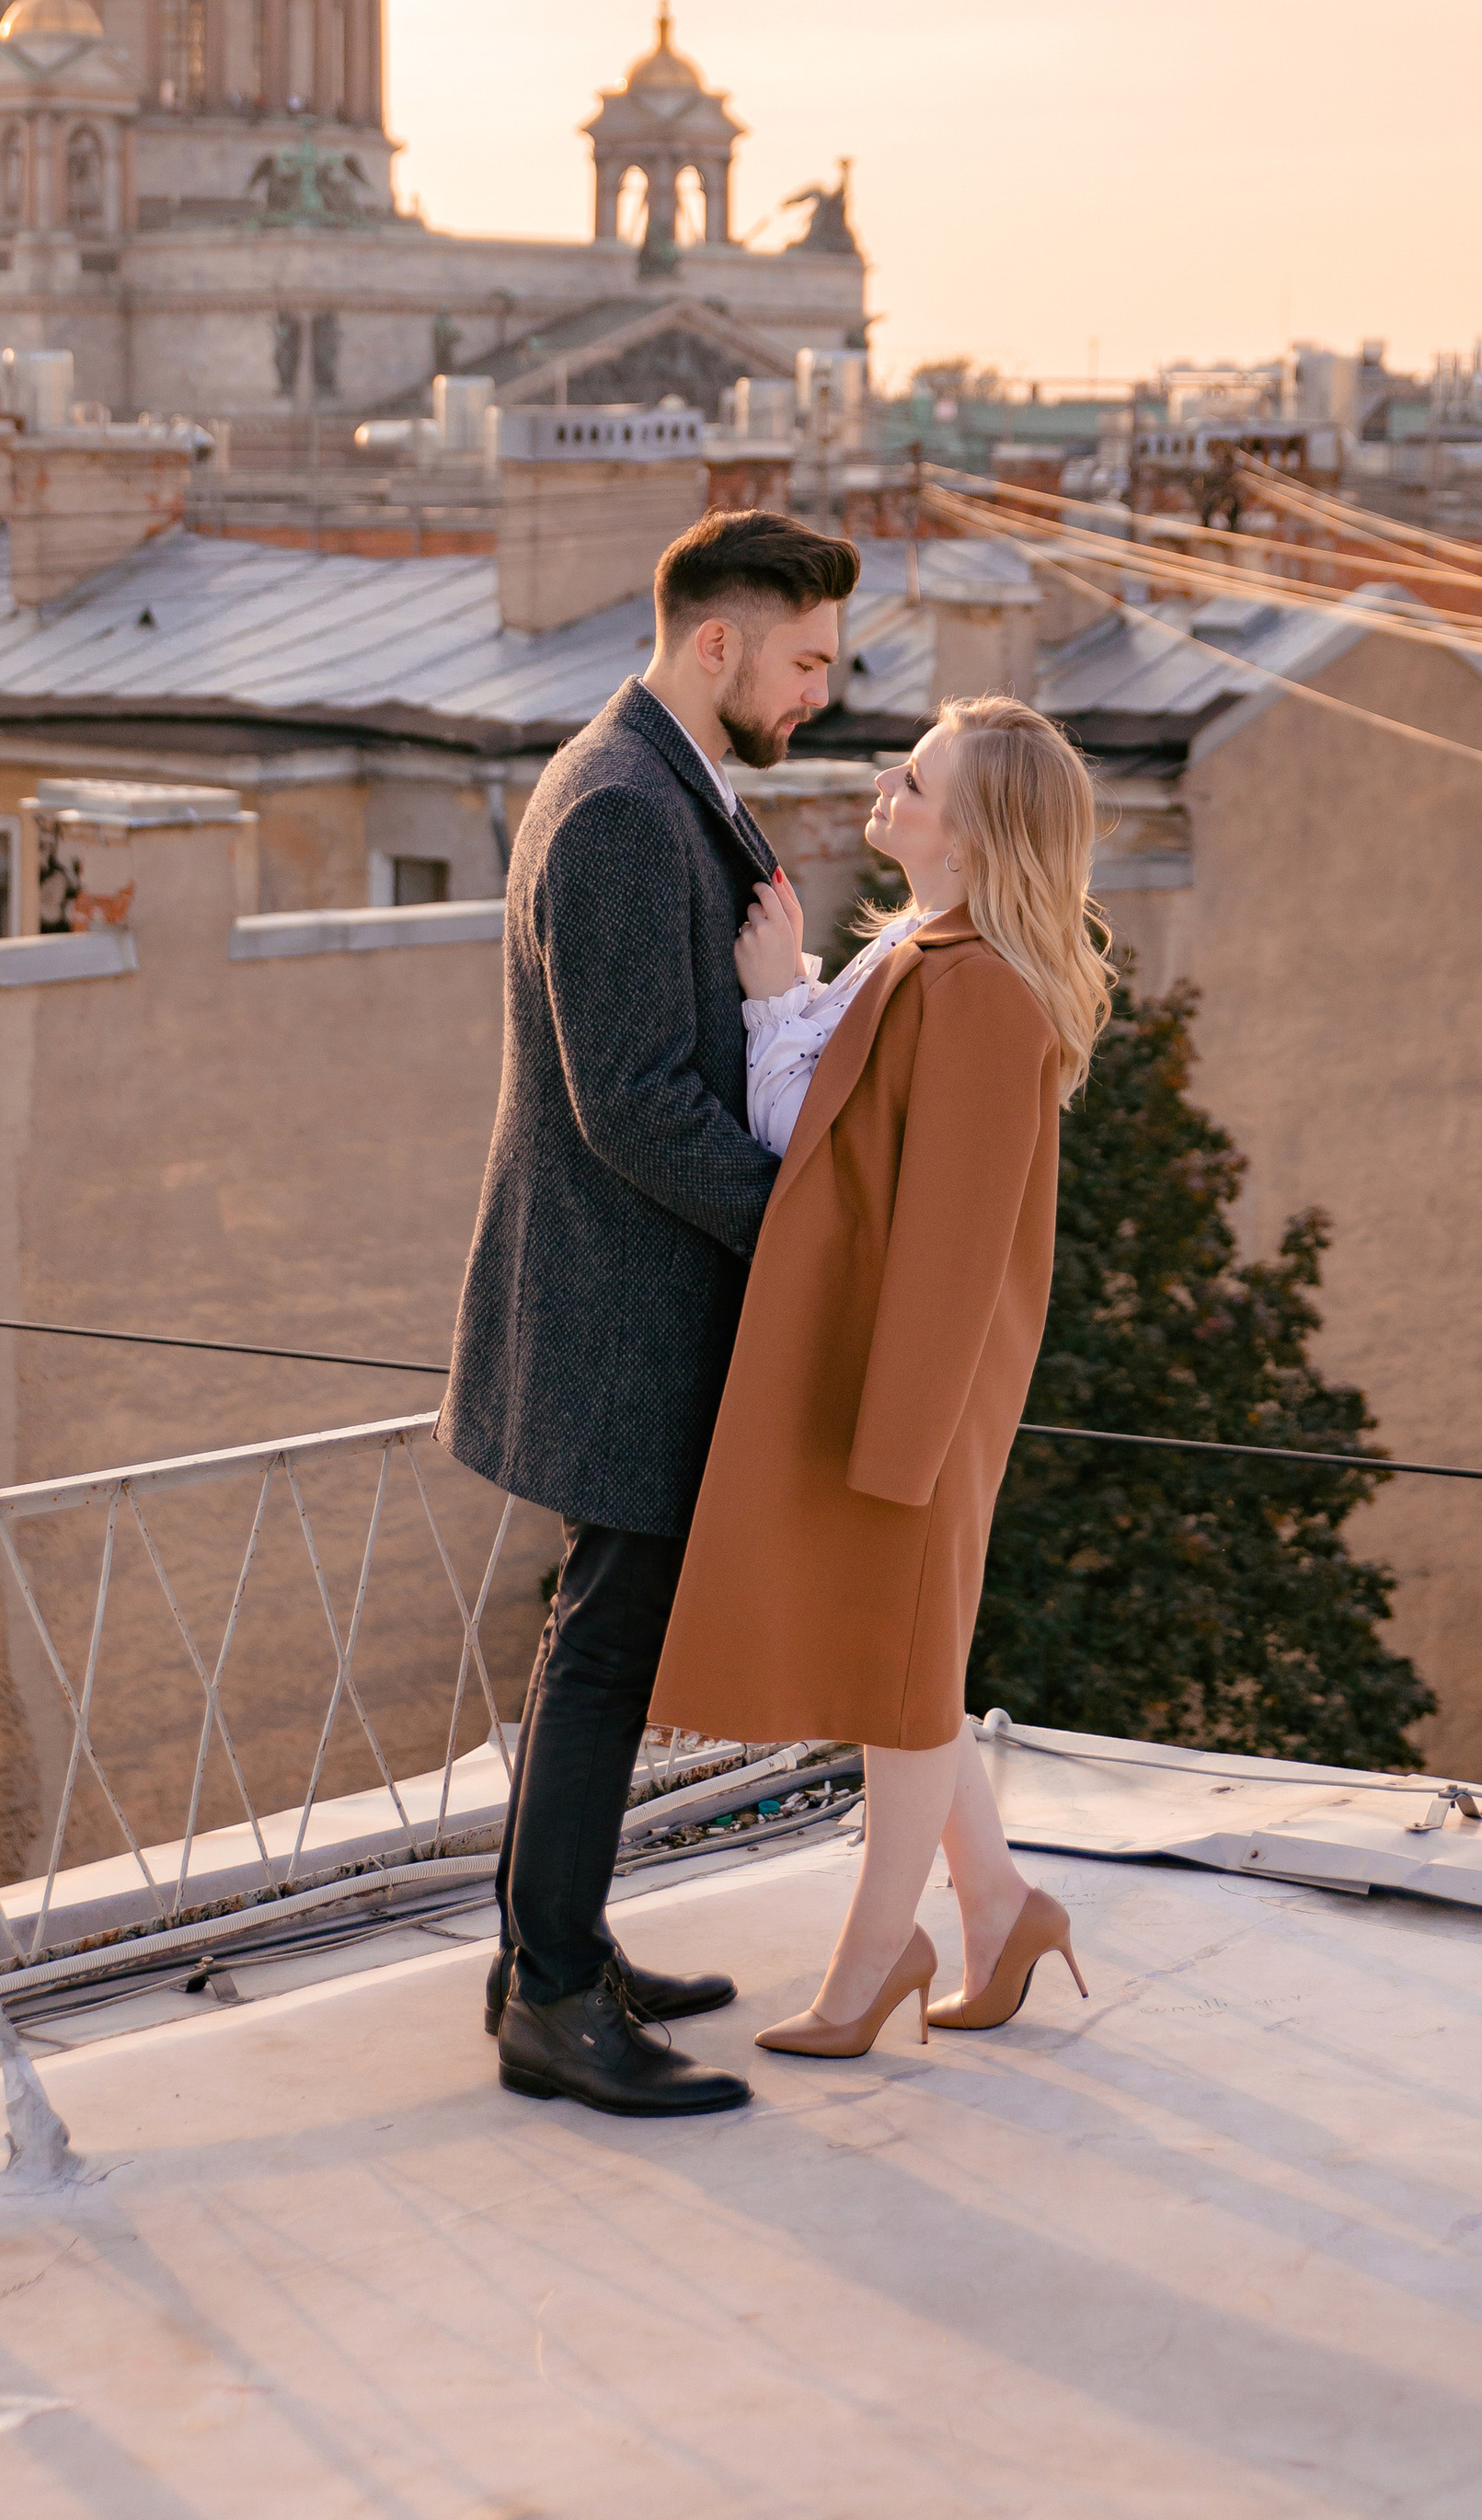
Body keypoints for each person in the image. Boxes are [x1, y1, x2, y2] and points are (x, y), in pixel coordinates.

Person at [442, 506, 860, 2118]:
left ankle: (551, 1955)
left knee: (598, 1637)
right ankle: (553, 2000)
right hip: (621, 1308)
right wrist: (806, 1236)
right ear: (718, 642)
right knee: (608, 1646)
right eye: (806, 661)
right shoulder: (622, 806)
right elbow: (630, 1101)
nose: (822, 691)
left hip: (628, 1297)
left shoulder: (655, 779)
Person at [649, 693, 1114, 2057]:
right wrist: (788, 993)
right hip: (879, 1362)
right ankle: (1000, 1910)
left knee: (902, 1677)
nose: (888, 787)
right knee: (903, 1663)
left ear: (970, 837)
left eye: (915, 778)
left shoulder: (983, 992)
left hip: (918, 1385)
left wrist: (899, 1442)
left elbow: (954, 1242)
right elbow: (827, 1135)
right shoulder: (922, 951)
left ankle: (870, 1968)